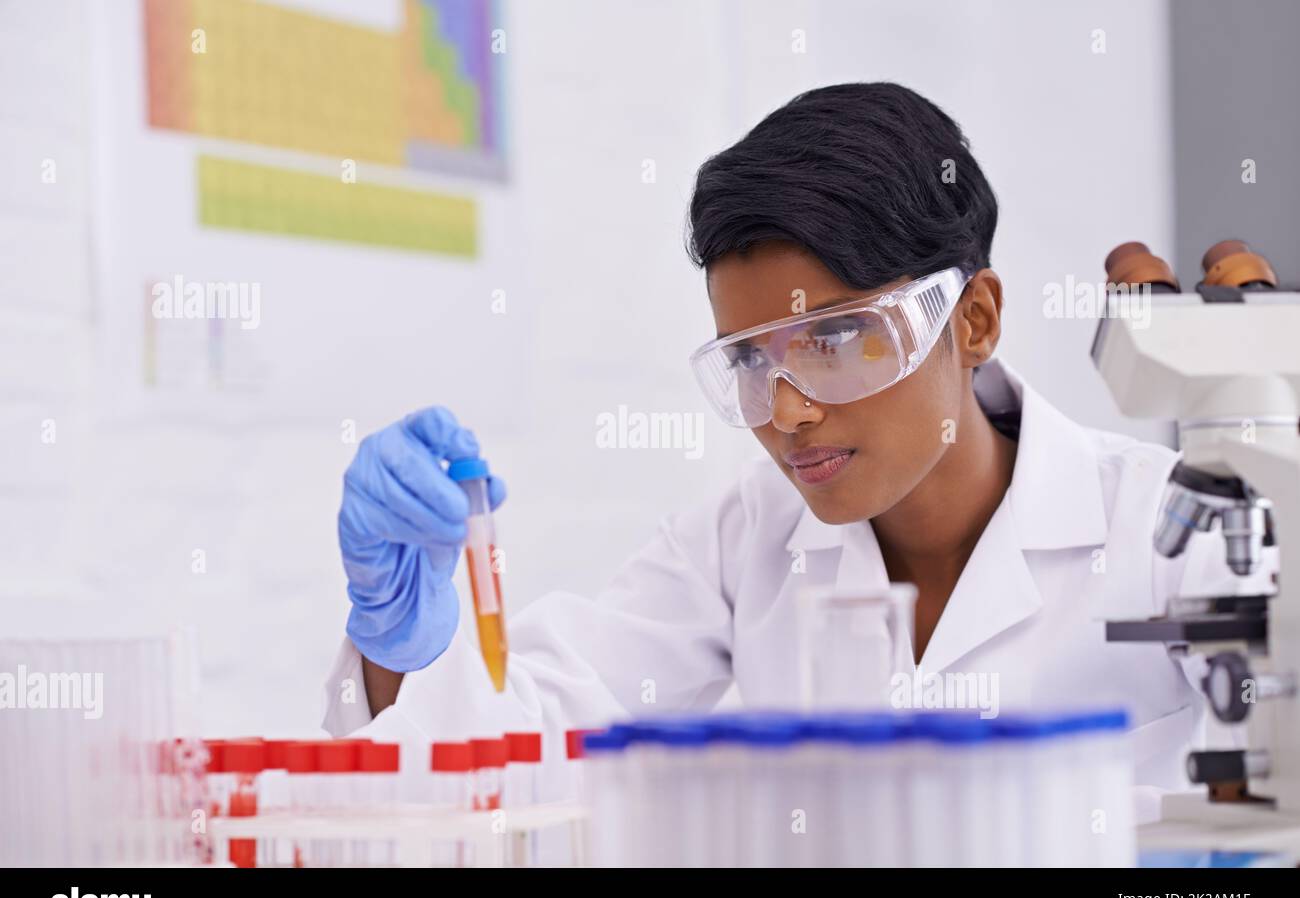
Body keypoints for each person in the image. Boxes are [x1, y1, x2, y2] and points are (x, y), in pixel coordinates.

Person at [324, 83, 1270, 814]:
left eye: (831, 339)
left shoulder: (1171, 532)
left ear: (973, 318)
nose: (785, 411)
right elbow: (520, 752)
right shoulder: (743, 542)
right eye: (748, 359)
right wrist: (405, 645)